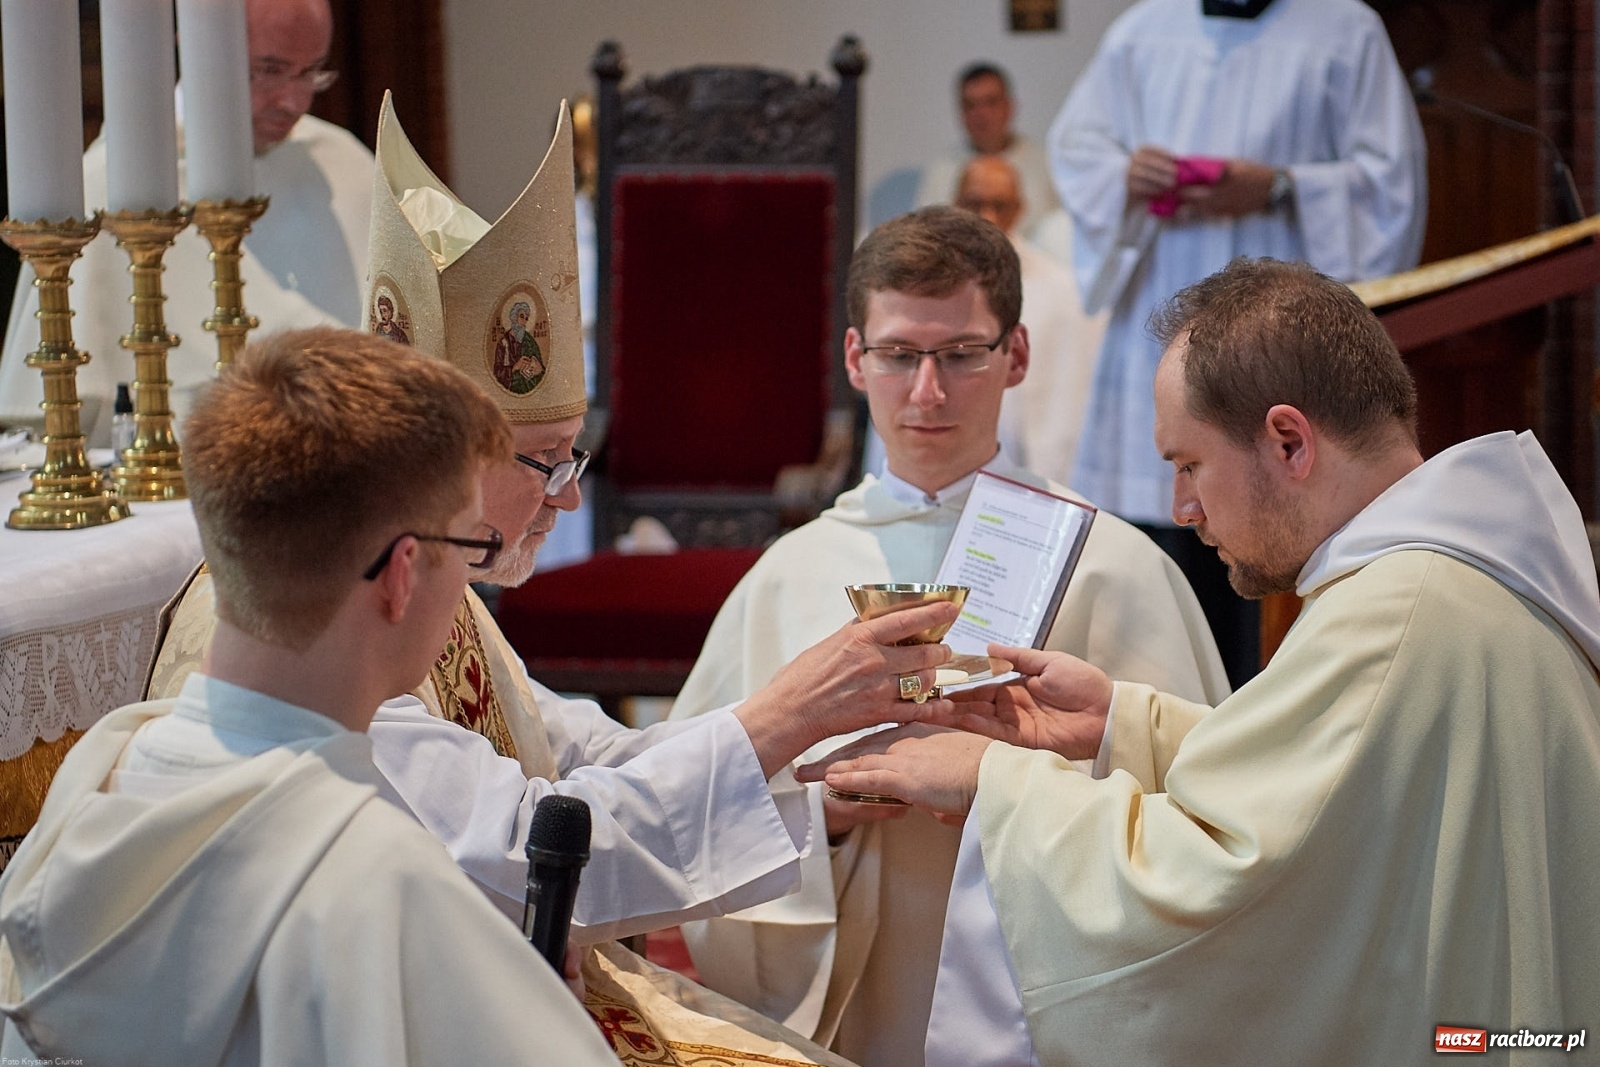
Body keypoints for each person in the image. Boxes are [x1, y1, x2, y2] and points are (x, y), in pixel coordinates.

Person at [147, 98, 959, 959]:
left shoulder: (425, 569)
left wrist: (806, 771)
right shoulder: (325, 615)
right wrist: (782, 717)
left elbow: (570, 746)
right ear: (447, 465)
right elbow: (529, 858)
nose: (569, 499)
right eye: (546, 460)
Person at [805, 258, 1600, 1067]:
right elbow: (1334, 806)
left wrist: (989, 778)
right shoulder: (1465, 579)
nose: (1184, 508)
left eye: (1188, 464)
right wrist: (1124, 722)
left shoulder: (1392, 617)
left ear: (1289, 440)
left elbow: (1211, 890)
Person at [668, 206, 1229, 1066]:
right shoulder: (789, 573)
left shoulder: (1111, 564)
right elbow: (691, 810)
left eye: (962, 353)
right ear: (856, 358)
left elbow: (1195, 820)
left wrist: (1012, 781)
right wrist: (827, 818)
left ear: (1018, 355)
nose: (927, 391)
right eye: (898, 354)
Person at [0, 327, 618, 1064]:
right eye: (474, 545)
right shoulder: (389, 887)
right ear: (401, 574)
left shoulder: (86, 795)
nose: (472, 581)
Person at [1049, 0, 1427, 686]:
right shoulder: (1144, 29)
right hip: (1154, 337)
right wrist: (1125, 178)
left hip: (1283, 352)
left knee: (1273, 564)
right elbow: (1078, 150)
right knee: (1165, 569)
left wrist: (1280, 188)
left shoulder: (1344, 28)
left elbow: (1392, 181)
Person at [0, 0, 372, 449]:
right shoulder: (111, 184)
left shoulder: (343, 161)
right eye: (269, 70)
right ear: (200, 48)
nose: (294, 101)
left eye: (310, 72)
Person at [954, 154, 1105, 486]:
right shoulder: (928, 288)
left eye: (1000, 205)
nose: (987, 217)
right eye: (975, 204)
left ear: (1019, 209)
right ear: (956, 204)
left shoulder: (1061, 291)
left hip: (1028, 466)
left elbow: (1068, 396)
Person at [914, 63, 1059, 240]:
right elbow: (927, 235)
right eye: (971, 105)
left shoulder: (1046, 165)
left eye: (990, 102)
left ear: (1009, 106)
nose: (981, 114)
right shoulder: (942, 170)